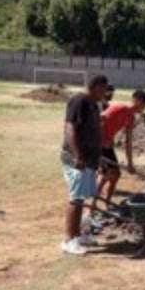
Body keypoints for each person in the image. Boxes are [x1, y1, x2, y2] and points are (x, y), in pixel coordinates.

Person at [60, 74, 109, 256]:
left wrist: (98, 156)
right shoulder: (79, 101)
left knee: (82, 198)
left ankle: (77, 235)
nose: (105, 93)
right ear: (95, 86)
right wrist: (78, 155)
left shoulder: (93, 105)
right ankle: (68, 240)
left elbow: (93, 133)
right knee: (75, 199)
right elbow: (70, 129)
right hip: (77, 160)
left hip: (89, 159)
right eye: (103, 89)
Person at [96, 89, 145, 205]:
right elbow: (100, 120)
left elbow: (128, 142)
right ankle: (91, 209)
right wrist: (103, 140)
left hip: (107, 146)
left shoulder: (131, 118)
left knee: (116, 174)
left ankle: (107, 204)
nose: (143, 109)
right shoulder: (119, 108)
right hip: (97, 143)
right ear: (135, 101)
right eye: (143, 105)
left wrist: (130, 164)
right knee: (106, 174)